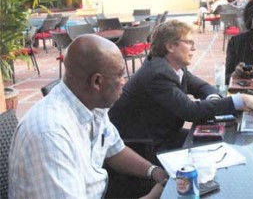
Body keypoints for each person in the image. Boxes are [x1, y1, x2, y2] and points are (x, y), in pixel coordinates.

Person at [8, 34, 168, 198]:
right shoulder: (50, 135)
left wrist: (155, 172)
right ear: (97, 82)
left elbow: (114, 149)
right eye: (120, 75)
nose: (124, 81)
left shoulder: (91, 103)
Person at [109, 20, 253, 153]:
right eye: (189, 43)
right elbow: (191, 111)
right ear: (170, 46)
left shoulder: (173, 66)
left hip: (162, 135)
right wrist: (240, 100)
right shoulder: (157, 74)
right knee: (215, 150)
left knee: (218, 145)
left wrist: (213, 98)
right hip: (143, 147)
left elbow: (201, 87)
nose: (194, 48)